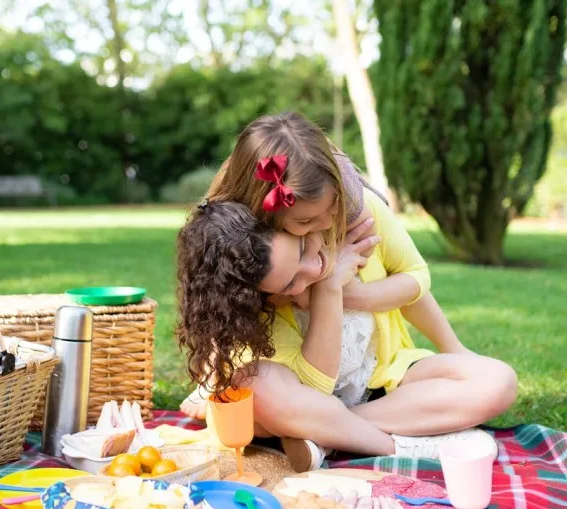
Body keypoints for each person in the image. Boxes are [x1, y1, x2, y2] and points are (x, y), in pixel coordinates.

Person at [174, 114, 517, 469]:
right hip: (304, 391)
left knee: (497, 381)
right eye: (305, 226)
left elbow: (415, 279)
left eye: (331, 208)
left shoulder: (357, 215)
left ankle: (327, 435)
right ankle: (392, 441)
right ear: (265, 216)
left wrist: (341, 290)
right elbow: (307, 386)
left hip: (381, 380)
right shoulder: (254, 261)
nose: (324, 225)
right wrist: (326, 289)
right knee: (254, 389)